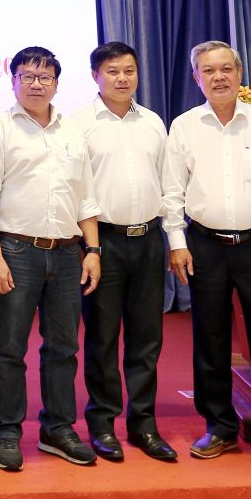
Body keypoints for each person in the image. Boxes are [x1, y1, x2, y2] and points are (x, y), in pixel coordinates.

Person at [161, 40, 251, 476]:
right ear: (196, 78)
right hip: (204, 244)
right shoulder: (185, 126)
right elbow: (171, 192)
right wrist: (177, 242)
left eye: (226, 68)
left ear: (239, 73)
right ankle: (219, 426)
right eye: (209, 70)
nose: (219, 77)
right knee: (210, 338)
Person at [0, 46, 102, 473]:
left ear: (56, 84)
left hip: (67, 253)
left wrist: (93, 251)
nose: (36, 84)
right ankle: (8, 430)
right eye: (27, 76)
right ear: (13, 80)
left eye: (45, 77)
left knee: (63, 347)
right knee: (9, 347)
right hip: (15, 250)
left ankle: (58, 429)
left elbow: (85, 197)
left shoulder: (73, 131)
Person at [77, 41, 177, 464]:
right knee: (101, 337)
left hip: (149, 239)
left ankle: (143, 424)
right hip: (103, 242)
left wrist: (173, 240)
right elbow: (78, 190)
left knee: (146, 337)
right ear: (95, 76)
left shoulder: (153, 122)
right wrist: (92, 246)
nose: (122, 79)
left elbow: (169, 185)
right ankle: (102, 424)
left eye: (129, 71)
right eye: (113, 71)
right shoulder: (79, 124)